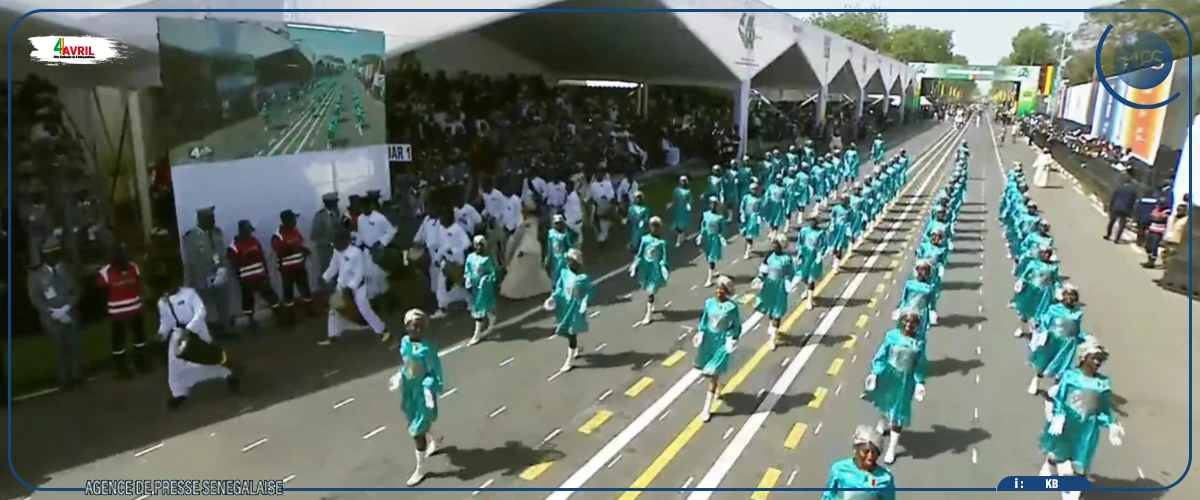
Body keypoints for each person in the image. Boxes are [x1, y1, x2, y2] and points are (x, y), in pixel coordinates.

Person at [1038, 338, 1124, 500]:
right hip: (1067, 422)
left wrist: (1111, 424)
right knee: (1059, 453)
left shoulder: (1102, 383)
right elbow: (1060, 398)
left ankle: (1073, 490)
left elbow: (1104, 408)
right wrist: (1059, 415)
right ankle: (1049, 466)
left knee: (1081, 460)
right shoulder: (1070, 376)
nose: (1097, 362)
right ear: (1084, 358)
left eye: (1100, 359)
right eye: (1094, 358)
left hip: (1088, 428)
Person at [155, 272, 240, 409]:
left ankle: (229, 376)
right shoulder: (163, 302)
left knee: (207, 357)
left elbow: (201, 311)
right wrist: (161, 334)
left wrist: (190, 329)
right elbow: (166, 322)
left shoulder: (189, 293)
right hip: (178, 335)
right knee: (175, 366)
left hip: (197, 331)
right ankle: (179, 393)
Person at [387, 309, 445, 487]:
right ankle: (436, 438)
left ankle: (420, 469)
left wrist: (430, 388)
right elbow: (407, 364)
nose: (419, 330)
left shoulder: (427, 349)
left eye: (422, 326)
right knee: (414, 419)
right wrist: (400, 376)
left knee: (417, 430)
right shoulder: (405, 342)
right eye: (415, 326)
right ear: (407, 327)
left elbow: (435, 372)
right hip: (409, 389)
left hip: (422, 390)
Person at [863, 309, 928, 465]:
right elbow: (881, 355)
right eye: (906, 321)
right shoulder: (891, 336)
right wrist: (875, 373)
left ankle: (892, 448)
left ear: (918, 324)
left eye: (913, 322)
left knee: (898, 414)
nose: (909, 325)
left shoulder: (919, 341)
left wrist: (919, 382)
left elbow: (920, 363)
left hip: (905, 381)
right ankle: (883, 421)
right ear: (901, 321)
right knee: (886, 404)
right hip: (889, 376)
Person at [28, 236, 84, 390]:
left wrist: (67, 307)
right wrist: (52, 312)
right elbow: (35, 297)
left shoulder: (67, 268)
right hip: (51, 317)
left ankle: (77, 377)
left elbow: (77, 289)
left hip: (70, 313)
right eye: (51, 253)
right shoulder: (36, 275)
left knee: (74, 344)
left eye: (56, 252)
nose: (54, 256)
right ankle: (64, 379)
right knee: (59, 347)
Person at [322, 231, 391, 345]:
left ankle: (382, 331)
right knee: (333, 310)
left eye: (336, 242)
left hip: (358, 287)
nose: (334, 245)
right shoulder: (337, 251)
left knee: (365, 310)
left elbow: (359, 273)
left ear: (344, 241)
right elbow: (333, 267)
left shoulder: (356, 252)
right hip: (342, 285)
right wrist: (324, 278)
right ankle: (333, 335)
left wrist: (350, 287)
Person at [692, 275, 741, 422]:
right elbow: (704, 320)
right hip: (708, 341)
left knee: (712, 373)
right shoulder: (709, 303)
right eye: (717, 288)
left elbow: (736, 325)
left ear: (727, 291)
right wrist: (701, 332)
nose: (719, 291)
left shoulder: (731, 307)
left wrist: (733, 338)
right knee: (709, 371)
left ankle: (706, 408)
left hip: (721, 342)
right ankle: (719, 385)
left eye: (722, 289)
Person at [96, 245, 148, 377]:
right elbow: (103, 296)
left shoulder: (134, 267)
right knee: (119, 342)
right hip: (116, 313)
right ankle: (122, 369)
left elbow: (139, 286)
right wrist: (106, 315)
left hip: (135, 308)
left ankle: (141, 363)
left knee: (139, 339)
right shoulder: (104, 273)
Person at [1028, 284, 1088, 397]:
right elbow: (1045, 323)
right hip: (1052, 340)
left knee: (1062, 366)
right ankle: (1036, 380)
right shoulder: (1054, 309)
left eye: (1073, 296)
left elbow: (1077, 329)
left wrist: (1082, 339)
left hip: (1068, 344)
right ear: (1063, 296)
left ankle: (1055, 390)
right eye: (1068, 295)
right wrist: (1040, 333)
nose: (1070, 298)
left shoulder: (1078, 313)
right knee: (1043, 362)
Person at [545, 248, 595, 373]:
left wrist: (584, 302)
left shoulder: (582, 278)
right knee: (565, 330)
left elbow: (589, 291)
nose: (568, 262)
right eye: (568, 260)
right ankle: (575, 348)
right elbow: (559, 288)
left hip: (575, 309)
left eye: (570, 260)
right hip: (565, 306)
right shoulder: (564, 273)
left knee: (572, 332)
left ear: (576, 262)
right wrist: (553, 298)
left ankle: (569, 360)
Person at [182, 206, 230, 334]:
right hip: (203, 277)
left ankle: (224, 327)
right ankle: (210, 330)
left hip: (219, 273)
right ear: (202, 220)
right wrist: (190, 283)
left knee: (223, 301)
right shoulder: (191, 237)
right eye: (210, 218)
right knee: (207, 305)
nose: (214, 221)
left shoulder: (217, 233)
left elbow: (222, 253)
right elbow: (191, 262)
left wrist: (223, 268)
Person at [227, 220, 280, 329]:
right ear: (241, 230)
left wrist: (266, 272)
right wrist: (240, 276)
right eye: (248, 230)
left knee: (271, 295)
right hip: (246, 278)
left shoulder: (254, 240)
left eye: (250, 231)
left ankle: (278, 314)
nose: (250, 233)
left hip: (260, 276)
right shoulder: (233, 246)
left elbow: (261, 256)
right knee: (248, 300)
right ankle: (250, 320)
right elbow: (233, 263)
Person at [821, 425, 897, 500]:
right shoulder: (839, 469)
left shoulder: (885, 478)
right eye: (865, 452)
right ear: (855, 449)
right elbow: (828, 495)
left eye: (874, 452)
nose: (870, 456)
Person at [501, 200, 553, 300]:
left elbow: (517, 239)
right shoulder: (537, 222)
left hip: (524, 250)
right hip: (535, 250)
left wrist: (509, 255)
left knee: (517, 274)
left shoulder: (525, 224)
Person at [271, 210, 314, 322]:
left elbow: (299, 243)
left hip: (300, 266)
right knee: (288, 293)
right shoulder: (277, 235)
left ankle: (309, 310)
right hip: (287, 270)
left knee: (305, 290)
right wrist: (292, 248)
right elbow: (279, 250)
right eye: (293, 219)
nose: (295, 221)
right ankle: (289, 316)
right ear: (285, 221)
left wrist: (304, 250)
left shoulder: (295, 231)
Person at [753, 235, 794, 350]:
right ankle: (772, 326)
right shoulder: (769, 256)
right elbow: (763, 270)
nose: (774, 245)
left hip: (780, 288)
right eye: (773, 243)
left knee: (778, 312)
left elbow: (790, 273)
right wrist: (759, 279)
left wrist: (787, 282)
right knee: (771, 309)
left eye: (776, 244)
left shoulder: (787, 259)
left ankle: (772, 338)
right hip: (769, 286)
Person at [1011, 246, 1062, 338]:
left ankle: (1037, 333)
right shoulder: (1033, 263)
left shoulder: (1053, 267)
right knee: (1025, 311)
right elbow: (1024, 275)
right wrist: (1021, 283)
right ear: (1040, 253)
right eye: (1044, 253)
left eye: (1048, 253)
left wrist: (1059, 290)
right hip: (1031, 290)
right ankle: (1021, 328)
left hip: (1045, 294)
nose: (1046, 255)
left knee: (1042, 313)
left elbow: (1056, 280)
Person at [630, 216, 670, 326]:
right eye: (653, 226)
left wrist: (663, 267)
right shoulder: (645, 239)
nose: (654, 229)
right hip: (646, 269)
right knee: (647, 288)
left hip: (655, 270)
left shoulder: (662, 242)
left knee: (650, 291)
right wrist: (635, 265)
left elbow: (664, 258)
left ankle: (648, 315)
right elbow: (640, 254)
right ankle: (652, 305)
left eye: (657, 227)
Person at [465, 235, 498, 345]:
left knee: (479, 310)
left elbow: (493, 274)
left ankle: (477, 334)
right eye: (477, 245)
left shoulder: (487, 259)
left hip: (484, 289)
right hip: (474, 288)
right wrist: (468, 279)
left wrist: (486, 280)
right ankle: (492, 319)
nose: (479, 247)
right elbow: (468, 270)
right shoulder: (470, 257)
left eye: (481, 245)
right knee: (483, 307)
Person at [311, 192, 342, 297]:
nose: (336, 204)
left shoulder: (336, 212)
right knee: (327, 272)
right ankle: (329, 296)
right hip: (325, 250)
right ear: (327, 203)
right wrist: (328, 242)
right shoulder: (319, 216)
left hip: (338, 248)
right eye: (334, 202)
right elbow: (313, 236)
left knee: (338, 271)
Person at [696, 197, 728, 287]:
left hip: (714, 240)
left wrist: (722, 238)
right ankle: (714, 270)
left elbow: (721, 230)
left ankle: (709, 279)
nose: (713, 206)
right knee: (708, 257)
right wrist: (700, 236)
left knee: (711, 259)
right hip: (707, 238)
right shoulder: (705, 214)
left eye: (715, 204)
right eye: (711, 204)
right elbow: (703, 226)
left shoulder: (720, 217)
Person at [796, 217, 826, 309]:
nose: (813, 222)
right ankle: (806, 290)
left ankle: (809, 299)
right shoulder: (804, 231)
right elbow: (800, 243)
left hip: (814, 257)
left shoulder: (821, 232)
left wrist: (819, 255)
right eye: (811, 220)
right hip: (805, 257)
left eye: (814, 221)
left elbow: (823, 245)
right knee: (804, 276)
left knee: (811, 278)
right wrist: (800, 254)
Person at [1103, 176, 1137, 243]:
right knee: (1121, 224)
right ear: (1130, 182)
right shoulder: (1133, 191)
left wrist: (1110, 207)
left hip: (1116, 207)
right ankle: (1117, 239)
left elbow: (1113, 198)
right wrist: (1131, 211)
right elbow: (1133, 202)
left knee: (1111, 222)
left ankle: (1108, 235)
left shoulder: (1118, 188)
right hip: (1125, 209)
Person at [739, 183, 763, 260]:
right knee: (745, 234)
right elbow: (742, 207)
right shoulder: (746, 197)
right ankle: (750, 246)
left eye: (755, 189)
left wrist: (759, 218)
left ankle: (747, 251)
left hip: (753, 219)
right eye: (752, 189)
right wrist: (742, 215)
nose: (754, 190)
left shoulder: (759, 199)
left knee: (750, 235)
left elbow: (760, 210)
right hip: (746, 218)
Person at [668, 176, 693, 248]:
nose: (683, 183)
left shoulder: (688, 191)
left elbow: (690, 199)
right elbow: (674, 199)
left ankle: (679, 240)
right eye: (682, 181)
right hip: (678, 209)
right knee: (677, 225)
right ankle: (682, 235)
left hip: (684, 210)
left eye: (684, 181)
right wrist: (671, 204)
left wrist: (688, 204)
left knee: (681, 225)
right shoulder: (676, 190)